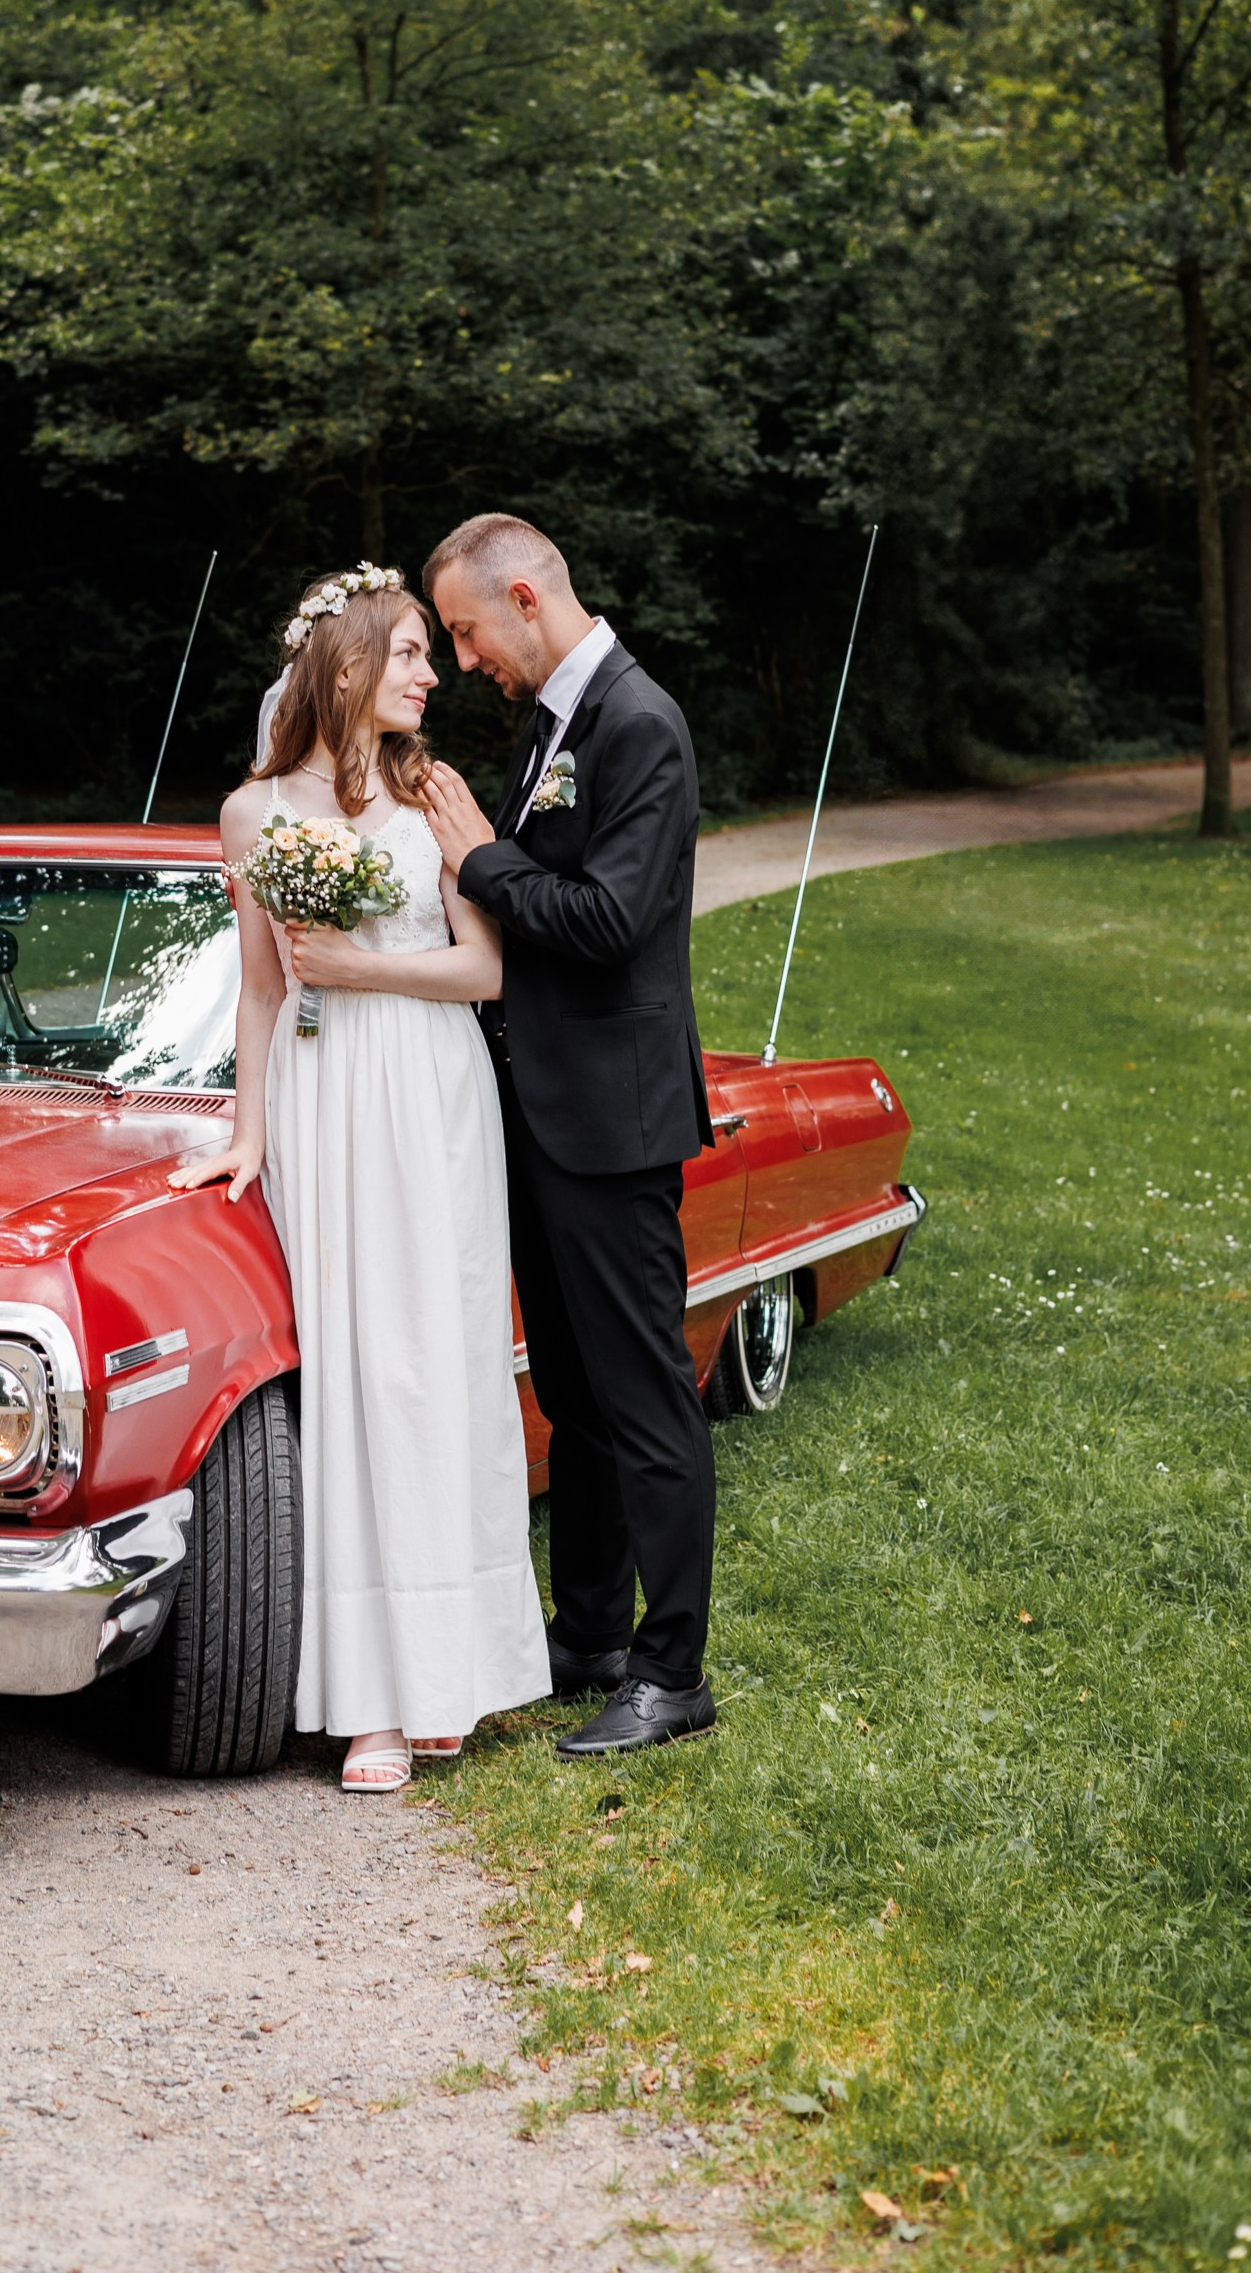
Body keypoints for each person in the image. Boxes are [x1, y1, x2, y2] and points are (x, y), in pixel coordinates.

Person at [170, 566, 550, 1794]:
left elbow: (488, 972)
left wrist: (358, 967)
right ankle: (361, 1698)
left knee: (429, 1364)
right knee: (344, 1370)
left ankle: (446, 1672)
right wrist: (247, 1129)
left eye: (435, 655)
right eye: (408, 655)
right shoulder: (250, 814)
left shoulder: (434, 792)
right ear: (343, 670)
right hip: (324, 1102)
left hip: (428, 1093)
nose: (431, 676)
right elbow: (262, 991)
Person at [418, 513, 717, 1759]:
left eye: (468, 630)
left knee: (645, 1399)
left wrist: (477, 862)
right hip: (543, 1114)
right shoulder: (550, 723)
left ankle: (672, 1673)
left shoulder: (637, 725)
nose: (465, 658)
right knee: (578, 1399)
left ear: (526, 597)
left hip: (612, 1120)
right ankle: (587, 1632)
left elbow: (603, 921)